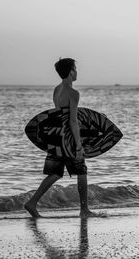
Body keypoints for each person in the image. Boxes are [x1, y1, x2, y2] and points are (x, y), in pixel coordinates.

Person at [24, 58, 96, 218]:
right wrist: (78, 145)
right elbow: (72, 120)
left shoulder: (56, 90)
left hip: (55, 136)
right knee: (81, 171)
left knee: (55, 173)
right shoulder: (73, 93)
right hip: (68, 138)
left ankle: (32, 202)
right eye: (75, 68)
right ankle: (84, 209)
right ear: (71, 71)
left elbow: (58, 114)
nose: (77, 72)